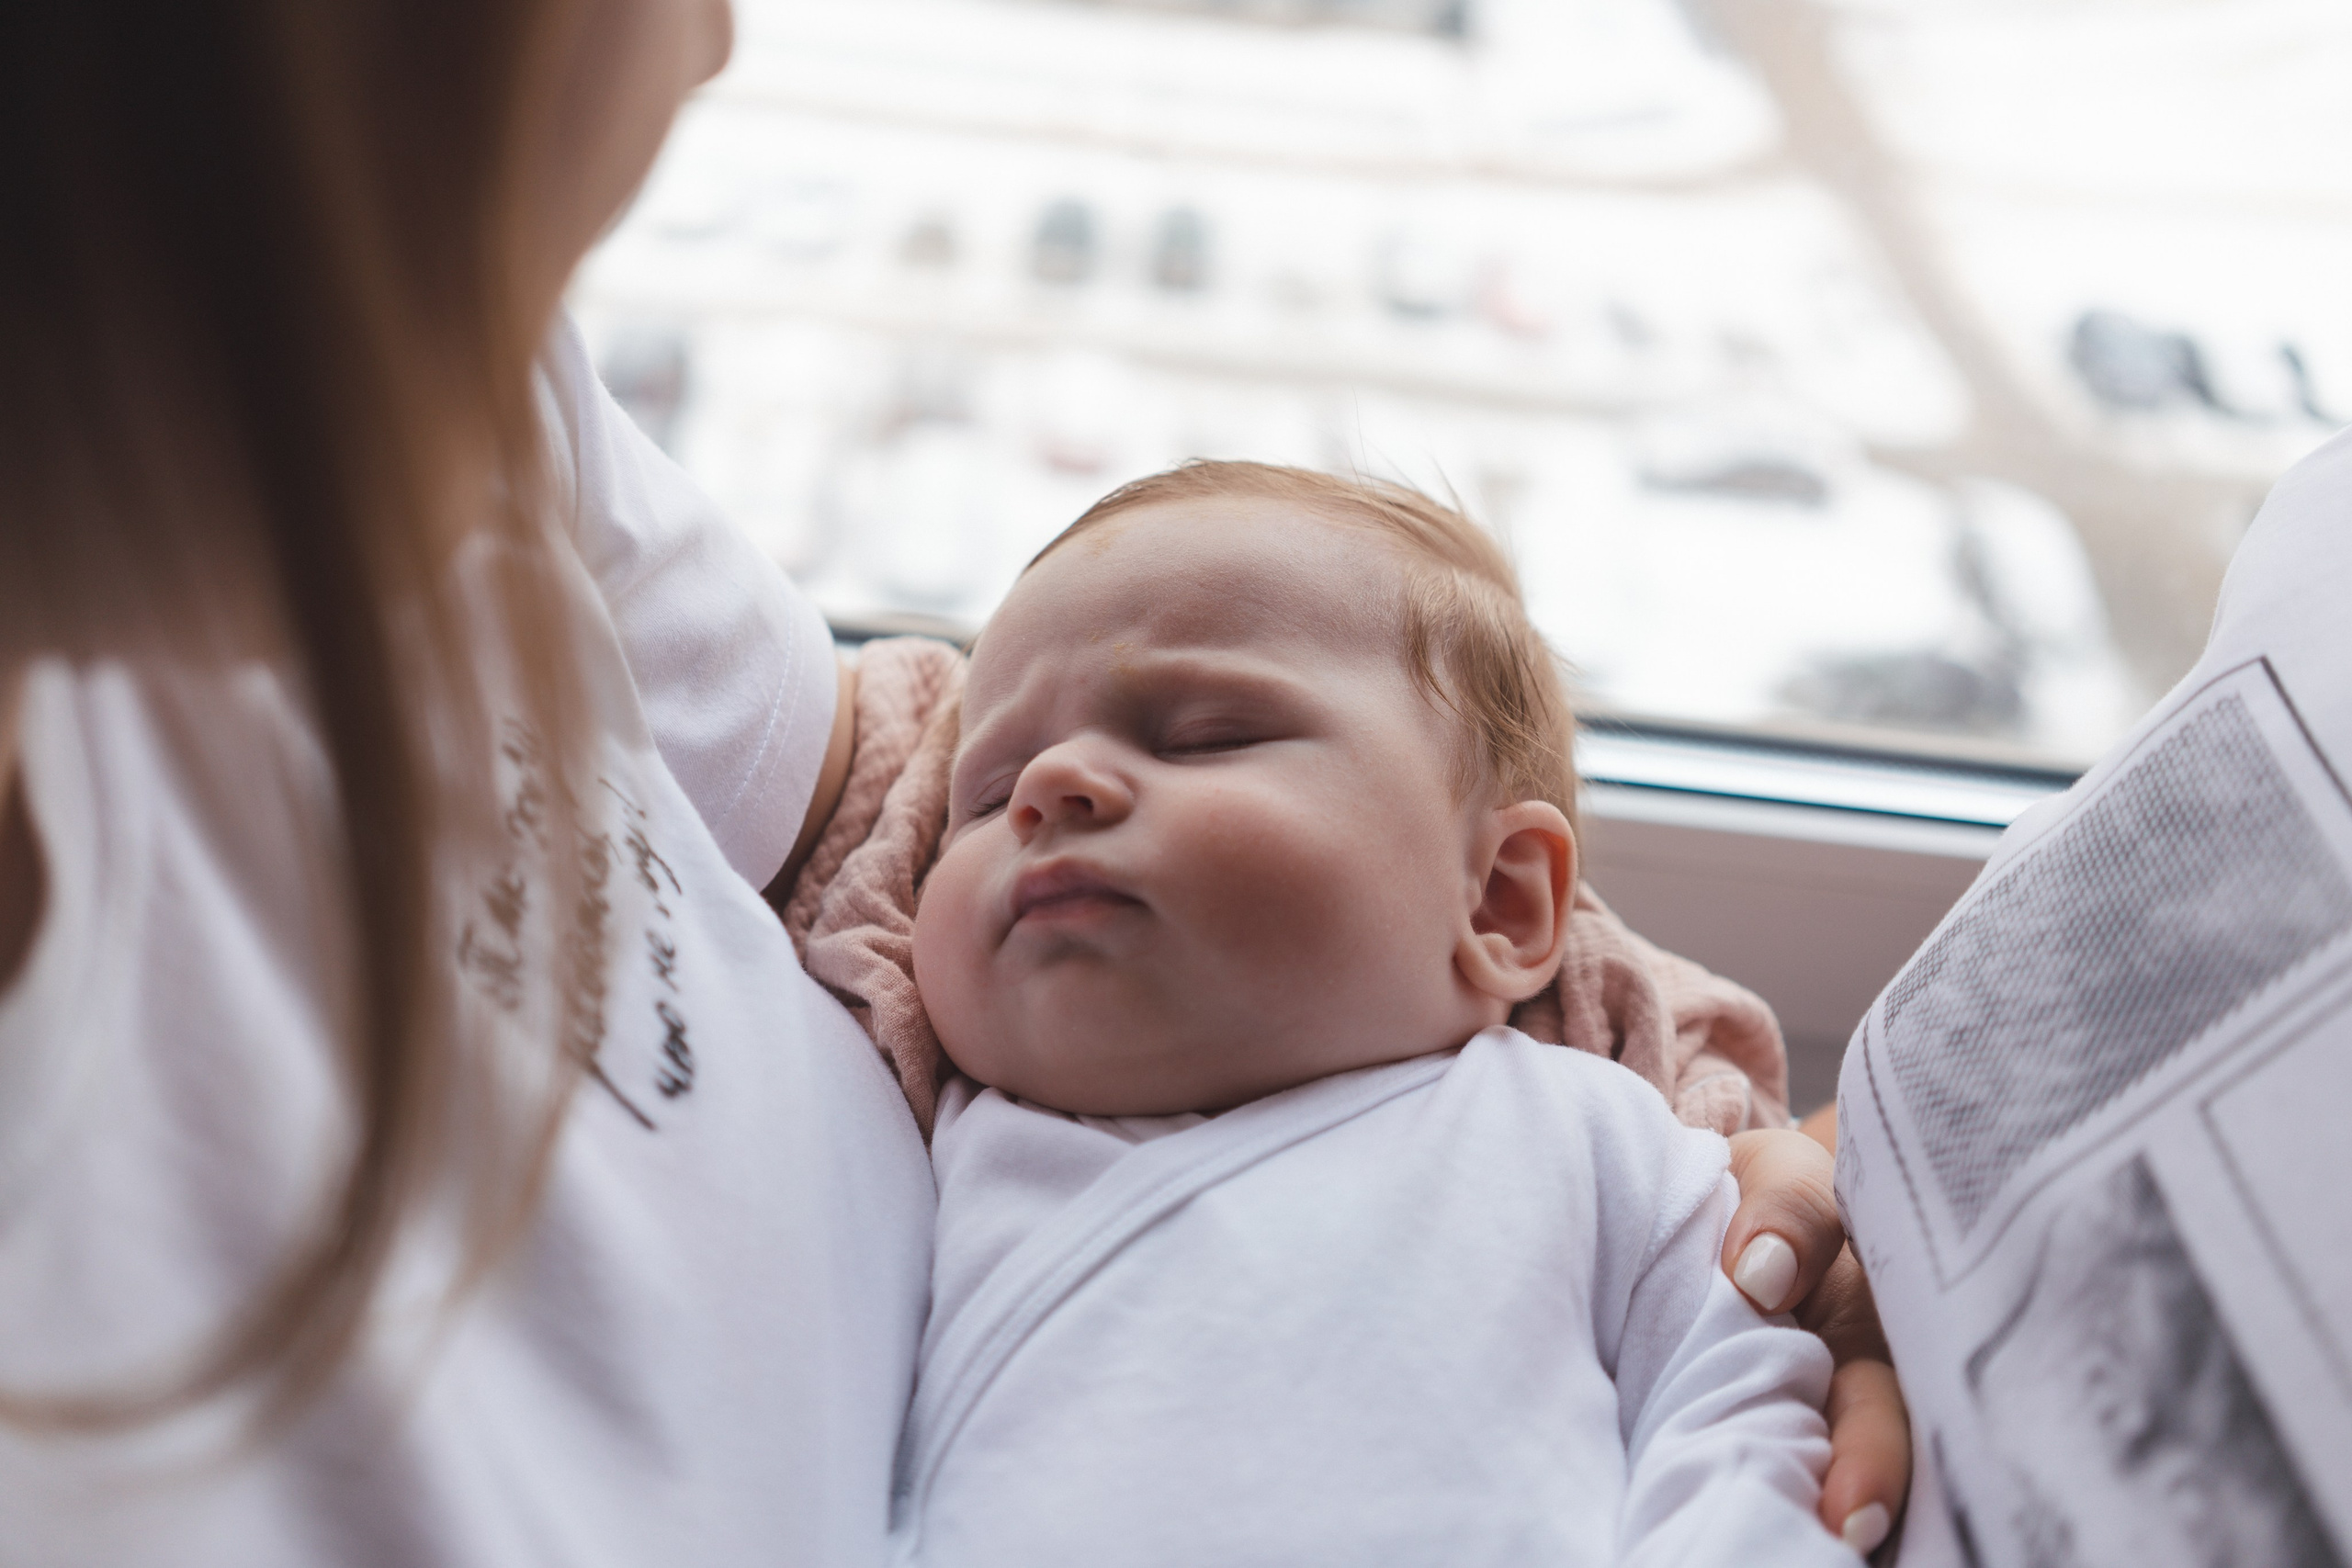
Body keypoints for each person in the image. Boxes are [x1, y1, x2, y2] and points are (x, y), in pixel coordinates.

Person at [0, 2, 1902, 1562]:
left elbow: (879, 781)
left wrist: (1761, 1181)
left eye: (1199, 733)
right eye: (1021, 782)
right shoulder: (341, 311)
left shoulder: (425, 376)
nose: (719, 43)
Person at [891, 461, 1857, 1564]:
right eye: (981, 793)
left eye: (1201, 736)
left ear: (1496, 897)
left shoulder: (1589, 1138)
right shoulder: (912, 1154)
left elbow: (1736, 1421)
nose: (1047, 786)